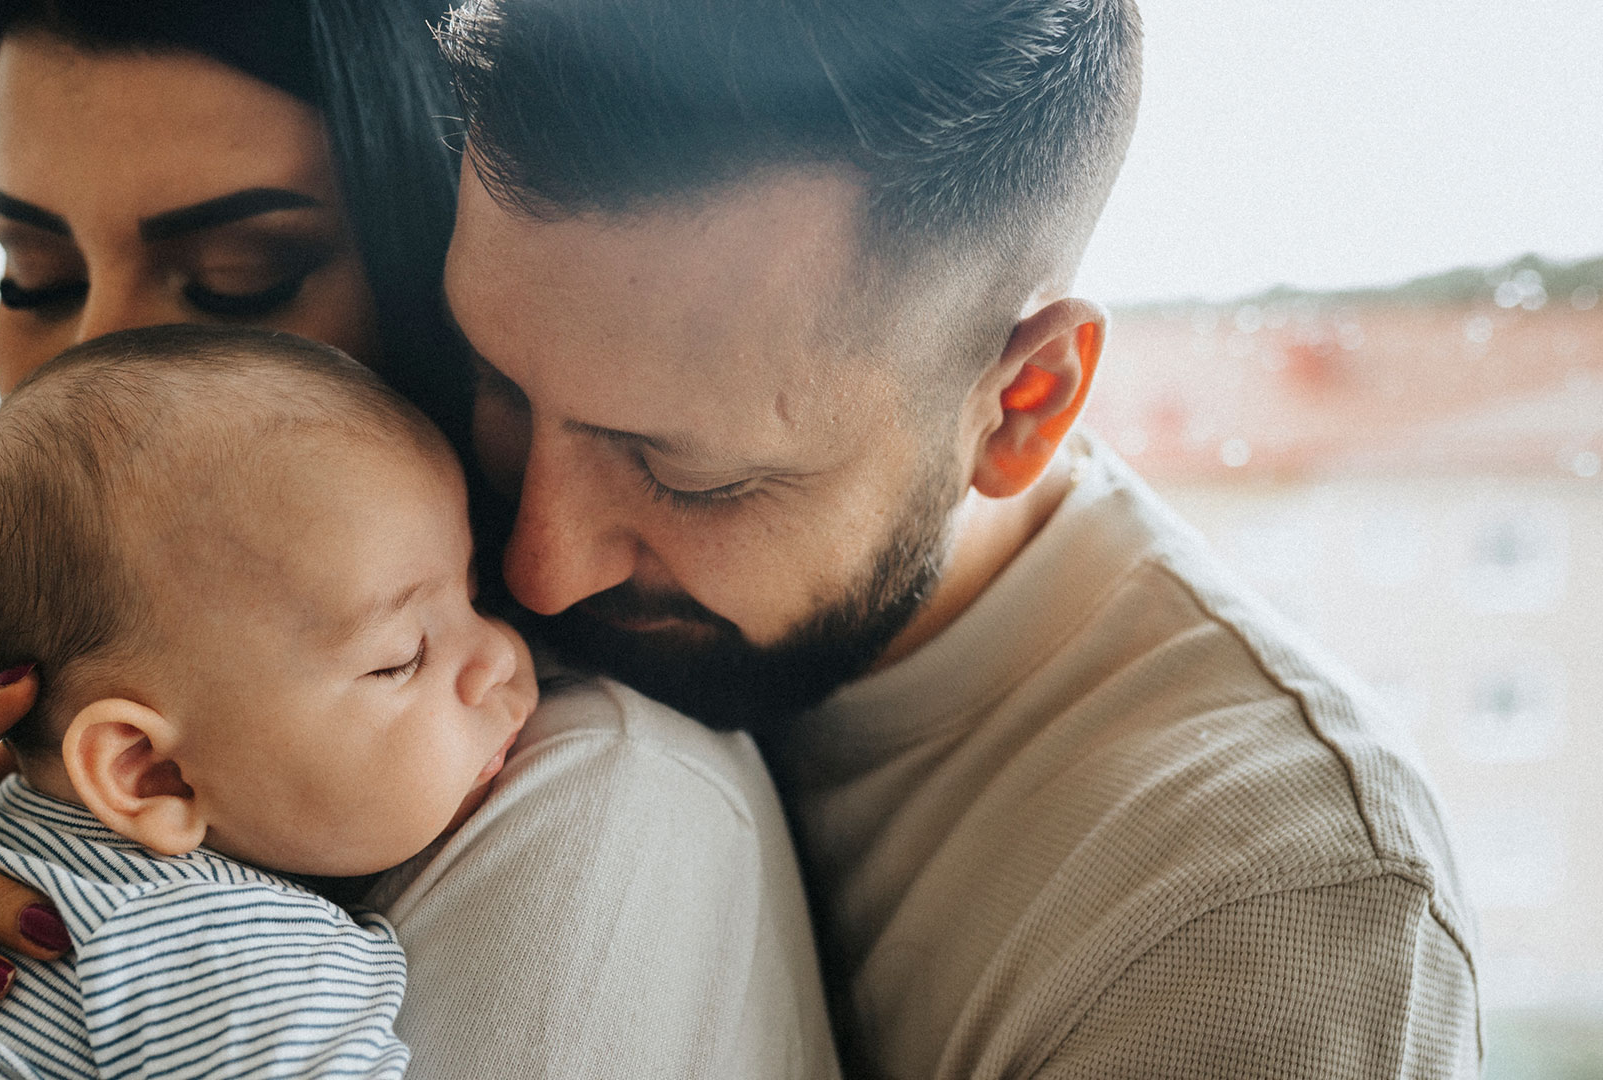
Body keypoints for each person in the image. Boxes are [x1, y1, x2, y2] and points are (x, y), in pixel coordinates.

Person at [0, 3, 835, 1077]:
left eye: (242, 280)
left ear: (448, 274)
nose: (96, 360)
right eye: (36, 277)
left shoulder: (587, 807)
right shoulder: (21, 804)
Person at [433, 0, 1481, 1075]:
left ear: (1024, 402)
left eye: (692, 477)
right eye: (500, 386)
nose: (534, 569)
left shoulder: (1262, 910)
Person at [0, 327, 516, 1076]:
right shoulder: (249, 954)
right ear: (150, 772)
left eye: (474, 591)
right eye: (403, 658)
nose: (501, 657)